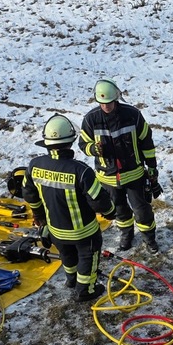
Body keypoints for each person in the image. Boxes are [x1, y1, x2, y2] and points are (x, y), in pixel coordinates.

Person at [22, 113, 116, 302]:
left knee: (67, 255)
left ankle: (71, 280)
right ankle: (86, 290)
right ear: (70, 142)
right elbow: (99, 200)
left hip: (56, 231)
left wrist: (38, 214)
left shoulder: (35, 165)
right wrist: (110, 212)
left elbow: (28, 193)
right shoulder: (82, 171)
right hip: (84, 233)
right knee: (88, 257)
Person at [78, 78, 160, 253]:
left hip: (134, 174)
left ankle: (149, 238)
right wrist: (93, 149)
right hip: (107, 177)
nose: (106, 106)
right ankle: (126, 235)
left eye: (109, 102)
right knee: (120, 211)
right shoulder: (91, 119)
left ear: (116, 99)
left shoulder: (132, 115)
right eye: (102, 103)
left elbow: (146, 141)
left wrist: (152, 167)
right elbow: (83, 143)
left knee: (142, 210)